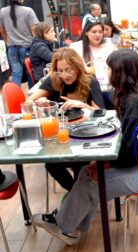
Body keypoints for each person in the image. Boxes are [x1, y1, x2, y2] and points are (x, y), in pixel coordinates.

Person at [32, 49, 138, 245]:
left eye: (109, 68)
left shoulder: (134, 102)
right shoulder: (136, 94)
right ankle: (73, 226)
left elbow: (133, 152)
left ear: (120, 72)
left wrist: (106, 163)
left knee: (91, 179)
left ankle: (64, 226)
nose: (107, 72)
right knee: (86, 173)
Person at [27, 47, 105, 192]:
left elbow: (101, 112)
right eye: (60, 70)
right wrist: (41, 103)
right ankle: (76, 194)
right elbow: (29, 102)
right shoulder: (54, 79)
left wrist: (83, 105)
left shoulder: (89, 81)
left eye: (69, 69)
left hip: (85, 134)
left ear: (77, 66)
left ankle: (77, 197)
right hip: (58, 135)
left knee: (80, 164)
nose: (65, 75)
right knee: (51, 164)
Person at [0, 0, 38, 87]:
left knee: (16, 74)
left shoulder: (2, 11)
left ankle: (16, 98)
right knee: (30, 73)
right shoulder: (28, 11)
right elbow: (34, 30)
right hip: (27, 48)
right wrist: (36, 44)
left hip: (12, 48)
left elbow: (2, 30)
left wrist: (7, 42)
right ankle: (32, 97)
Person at [70, 21, 116, 88]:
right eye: (94, 32)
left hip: (108, 86)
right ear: (86, 32)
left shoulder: (109, 46)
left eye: (100, 32)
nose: (98, 35)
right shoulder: (76, 47)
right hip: (86, 86)